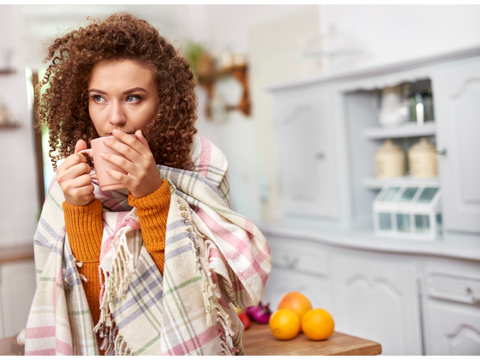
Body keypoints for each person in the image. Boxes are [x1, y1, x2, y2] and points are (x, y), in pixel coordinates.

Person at [25, 12, 271, 358]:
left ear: (164, 104)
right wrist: (79, 210)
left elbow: (198, 299)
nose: (114, 118)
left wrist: (153, 196)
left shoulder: (203, 167)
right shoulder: (70, 182)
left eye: (133, 97)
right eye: (99, 98)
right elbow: (92, 316)